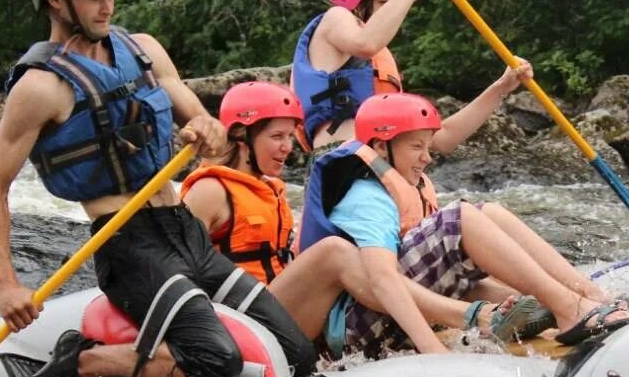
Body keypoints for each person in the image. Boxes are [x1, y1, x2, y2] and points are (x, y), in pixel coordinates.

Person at [0, 0, 316, 377]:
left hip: (186, 232)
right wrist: (6, 285)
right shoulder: (40, 88)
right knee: (213, 360)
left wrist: (207, 129)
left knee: (298, 352)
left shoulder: (144, 50)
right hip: (129, 246)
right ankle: (82, 361)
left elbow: (202, 122)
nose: (107, 9)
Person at [180, 81, 538, 349]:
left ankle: (535, 307)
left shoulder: (270, 189)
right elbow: (179, 267)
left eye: (291, 137)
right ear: (241, 134)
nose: (288, 148)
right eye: (277, 137)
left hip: (292, 313)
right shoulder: (210, 191)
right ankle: (468, 316)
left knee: (460, 273)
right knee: (336, 251)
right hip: (249, 325)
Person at [298, 92, 629, 357]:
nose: (427, 157)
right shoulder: (366, 197)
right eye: (416, 147)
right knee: (458, 219)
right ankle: (570, 310)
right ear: (379, 147)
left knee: (487, 211)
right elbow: (382, 281)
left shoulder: (403, 187)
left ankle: (587, 296)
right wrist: (435, 351)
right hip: (355, 332)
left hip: (397, 311)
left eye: (428, 146)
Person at [292, 0, 530, 158]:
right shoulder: (336, 19)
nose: (396, 11)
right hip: (341, 163)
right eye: (385, 2)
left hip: (379, 172)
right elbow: (366, 43)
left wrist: (502, 87)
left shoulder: (377, 65)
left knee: (483, 210)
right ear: (356, 0)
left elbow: (443, 139)